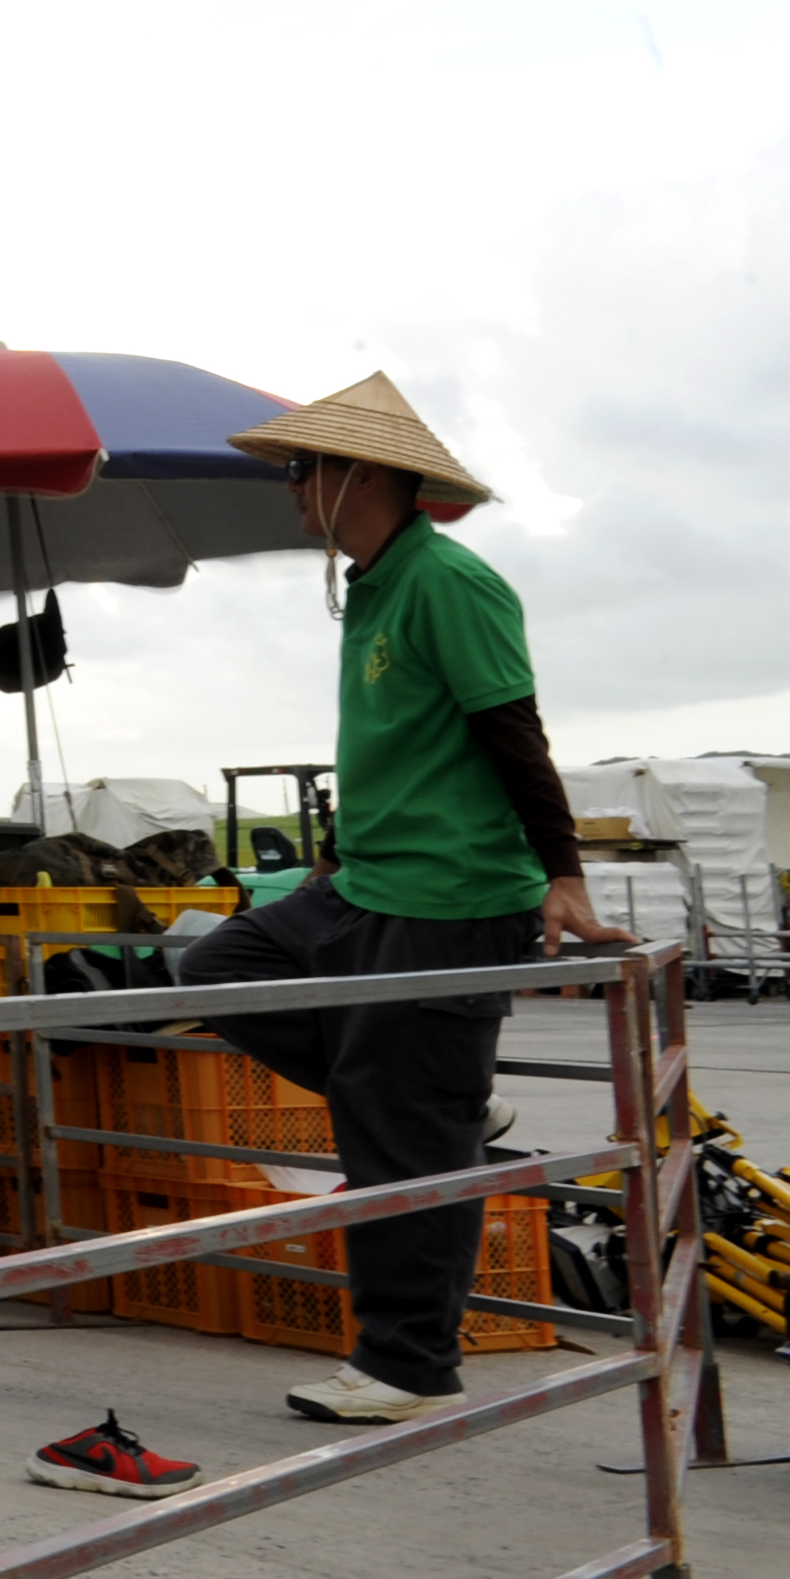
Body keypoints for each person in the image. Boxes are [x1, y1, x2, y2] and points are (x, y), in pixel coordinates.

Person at [190, 373, 625, 1426]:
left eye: (302, 471)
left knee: (392, 1137)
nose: (290, 491)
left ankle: (406, 1366)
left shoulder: (446, 580)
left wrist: (560, 876)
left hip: (448, 897)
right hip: (365, 885)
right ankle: (440, 1102)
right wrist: (336, 859)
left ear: (361, 476)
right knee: (214, 968)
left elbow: (510, 732)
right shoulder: (370, 585)